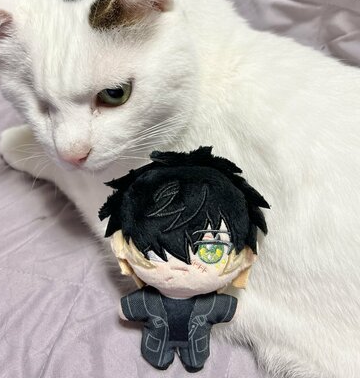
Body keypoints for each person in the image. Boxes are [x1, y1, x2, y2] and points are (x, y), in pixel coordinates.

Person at [99, 147, 269, 372]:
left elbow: (231, 310)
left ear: (246, 255)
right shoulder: (149, 301)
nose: (181, 266)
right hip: (155, 342)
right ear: (122, 246)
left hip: (197, 345)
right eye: (154, 252)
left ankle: (192, 359)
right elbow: (126, 309)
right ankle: (159, 356)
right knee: (157, 355)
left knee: (195, 359)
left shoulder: (210, 304)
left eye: (211, 250)